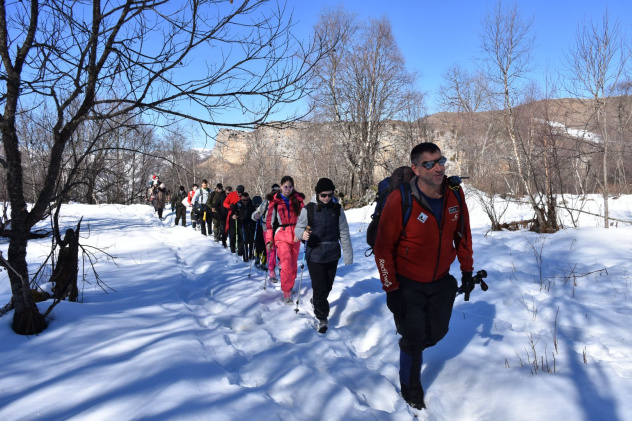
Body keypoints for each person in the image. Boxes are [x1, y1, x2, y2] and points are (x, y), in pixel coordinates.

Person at [373, 142, 474, 410]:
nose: (439, 167)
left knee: (438, 332)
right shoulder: (401, 199)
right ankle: (411, 389)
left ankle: (413, 344)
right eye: (429, 164)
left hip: (441, 280)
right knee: (413, 339)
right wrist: (391, 288)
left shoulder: (454, 194)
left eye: (440, 161)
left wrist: (467, 270)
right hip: (408, 283)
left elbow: (463, 233)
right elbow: (383, 249)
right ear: (416, 169)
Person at [295, 178, 353, 333]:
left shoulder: (337, 209)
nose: (327, 198)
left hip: (333, 253)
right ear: (317, 194)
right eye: (323, 195)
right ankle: (322, 318)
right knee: (320, 286)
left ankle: (317, 300)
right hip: (314, 254)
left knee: (328, 286)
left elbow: (344, 232)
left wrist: (348, 255)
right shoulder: (309, 209)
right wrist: (303, 234)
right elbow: (298, 228)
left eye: (329, 195)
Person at [265, 176, 305, 304]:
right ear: (281, 186)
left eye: (290, 187)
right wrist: (269, 240)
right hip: (281, 235)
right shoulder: (274, 202)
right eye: (286, 186)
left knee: (293, 265)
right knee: (287, 264)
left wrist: (302, 232)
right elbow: (269, 223)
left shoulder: (298, 200)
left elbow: (304, 218)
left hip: (296, 235)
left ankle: (290, 285)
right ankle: (286, 291)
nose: (288, 189)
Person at [252, 183, 280, 276]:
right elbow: (257, 212)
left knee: (282, 252)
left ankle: (282, 269)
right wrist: (256, 215)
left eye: (277, 191)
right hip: (268, 230)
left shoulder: (283, 202)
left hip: (281, 231)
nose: (275, 193)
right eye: (274, 191)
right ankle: (271, 270)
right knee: (271, 251)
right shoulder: (266, 202)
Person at [235, 192, 256, 261]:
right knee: (244, 241)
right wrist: (234, 216)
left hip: (250, 224)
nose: (245, 202)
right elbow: (234, 212)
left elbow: (255, 211)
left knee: (251, 240)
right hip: (242, 224)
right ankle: (245, 256)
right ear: (241, 199)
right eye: (244, 200)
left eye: (247, 200)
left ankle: (251, 255)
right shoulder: (238, 204)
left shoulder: (252, 203)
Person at [224, 185, 244, 253]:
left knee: (240, 233)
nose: (239, 194)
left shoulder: (244, 196)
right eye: (238, 192)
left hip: (241, 216)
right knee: (232, 233)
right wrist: (230, 206)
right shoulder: (231, 195)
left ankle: (240, 249)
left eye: (241, 193)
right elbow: (225, 203)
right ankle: (232, 248)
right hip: (232, 215)